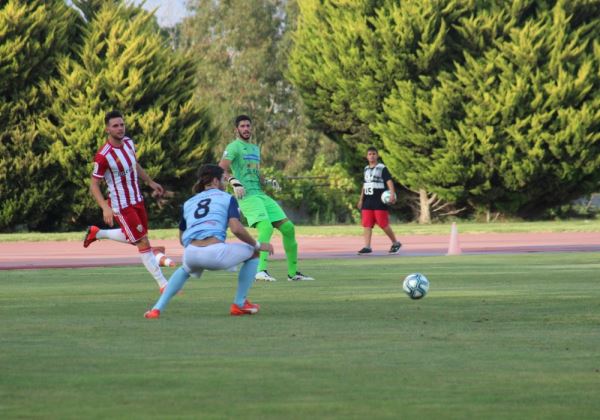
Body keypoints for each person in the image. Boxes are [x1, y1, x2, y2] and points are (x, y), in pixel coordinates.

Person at [144, 164, 274, 318]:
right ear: (215, 180)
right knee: (254, 253)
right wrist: (258, 244)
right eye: (223, 180)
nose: (225, 184)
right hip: (215, 254)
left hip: (191, 253)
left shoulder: (189, 202)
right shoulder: (227, 198)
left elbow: (181, 237)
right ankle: (239, 304)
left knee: (185, 269)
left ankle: (156, 309)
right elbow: (236, 229)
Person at [218, 114, 314, 282]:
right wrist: (234, 181)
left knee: (289, 228)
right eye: (242, 126)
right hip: (247, 196)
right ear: (236, 129)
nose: (246, 129)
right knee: (266, 227)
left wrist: (268, 181)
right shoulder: (233, 147)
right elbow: (220, 169)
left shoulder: (255, 148)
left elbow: (255, 172)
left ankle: (293, 274)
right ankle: (260, 270)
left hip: (261, 194)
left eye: (248, 125)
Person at [86, 110, 170, 292]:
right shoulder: (103, 155)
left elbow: (134, 164)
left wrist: (150, 181)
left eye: (122, 124)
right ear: (107, 129)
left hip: (137, 199)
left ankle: (98, 233)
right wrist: (105, 207)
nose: (120, 128)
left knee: (138, 237)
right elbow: (94, 185)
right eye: (115, 126)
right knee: (142, 242)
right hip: (121, 205)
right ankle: (164, 284)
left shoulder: (129, 143)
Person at [357, 146, 402, 255]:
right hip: (368, 200)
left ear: (377, 155)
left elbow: (389, 181)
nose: (371, 156)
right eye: (369, 154)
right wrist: (361, 199)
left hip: (379, 200)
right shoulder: (366, 169)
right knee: (366, 224)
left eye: (373, 154)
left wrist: (392, 193)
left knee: (383, 223)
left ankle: (395, 243)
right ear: (366, 156)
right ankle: (367, 247)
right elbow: (365, 185)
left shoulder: (382, 168)